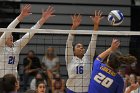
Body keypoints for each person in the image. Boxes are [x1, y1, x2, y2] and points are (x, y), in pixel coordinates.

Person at [0, 4, 55, 78]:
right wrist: (20, 17)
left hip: (13, 79)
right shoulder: (1, 46)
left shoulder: (17, 45)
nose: (11, 36)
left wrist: (43, 19)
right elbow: (8, 29)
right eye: (8, 35)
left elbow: (30, 33)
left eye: (11, 34)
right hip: (2, 79)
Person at [65, 10, 103, 93]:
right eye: (78, 46)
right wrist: (74, 27)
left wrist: (96, 24)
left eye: (82, 47)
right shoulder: (70, 59)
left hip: (86, 91)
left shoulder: (88, 58)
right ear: (74, 51)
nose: (81, 48)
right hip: (72, 90)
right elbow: (69, 42)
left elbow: (93, 41)